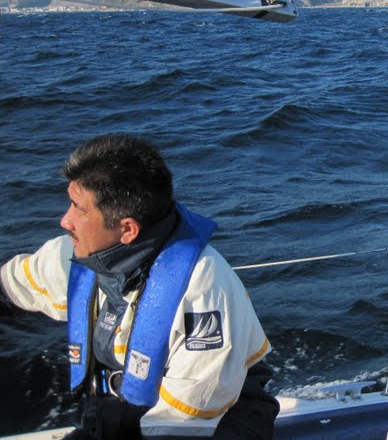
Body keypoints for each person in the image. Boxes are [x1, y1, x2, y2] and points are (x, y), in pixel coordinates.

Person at [0, 134, 279, 439]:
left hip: (209, 423)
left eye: (79, 209)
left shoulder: (203, 292)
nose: (65, 221)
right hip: (117, 412)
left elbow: (184, 423)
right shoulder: (75, 256)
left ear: (127, 229)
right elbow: (9, 288)